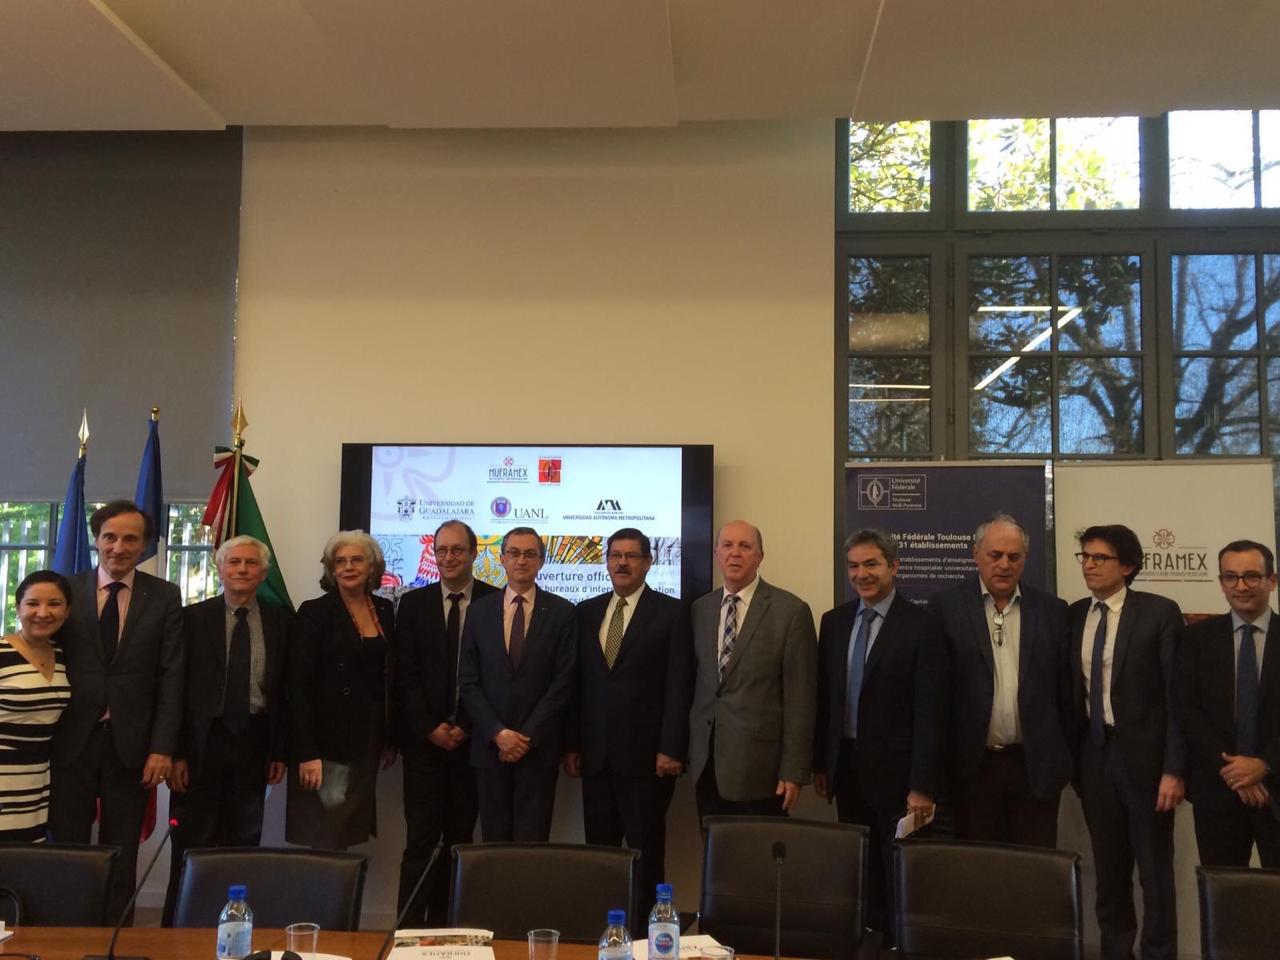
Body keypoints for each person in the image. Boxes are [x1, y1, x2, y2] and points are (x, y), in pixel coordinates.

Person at [50, 500, 184, 923]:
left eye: (130, 538)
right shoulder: (65, 591)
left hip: (132, 747)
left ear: (144, 545)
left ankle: (116, 938)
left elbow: (172, 676)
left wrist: (163, 748)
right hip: (71, 742)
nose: (119, 547)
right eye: (110, 537)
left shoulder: (164, 596)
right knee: (66, 848)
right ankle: (67, 936)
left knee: (122, 851)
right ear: (96, 540)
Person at [813, 528, 945, 946]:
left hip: (900, 779)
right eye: (853, 566)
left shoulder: (922, 626)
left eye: (871, 564)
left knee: (899, 877)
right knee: (860, 871)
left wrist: (922, 785)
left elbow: (931, 712)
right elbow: (826, 700)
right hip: (847, 770)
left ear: (894, 566)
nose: (861, 574)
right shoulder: (834, 622)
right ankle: (867, 945)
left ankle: (897, 947)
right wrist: (822, 763)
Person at [162, 535, 291, 925]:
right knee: (191, 841)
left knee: (244, 839)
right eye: (234, 562)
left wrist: (279, 750)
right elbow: (176, 689)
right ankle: (179, 925)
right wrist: (177, 752)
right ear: (219, 569)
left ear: (263, 573)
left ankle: (236, 924)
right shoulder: (192, 619)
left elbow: (286, 690)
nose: (242, 570)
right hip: (201, 743)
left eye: (251, 563)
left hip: (254, 739)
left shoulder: (281, 620)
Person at [562, 527, 693, 908]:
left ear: (648, 562)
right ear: (606, 562)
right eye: (615, 556)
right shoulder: (586, 612)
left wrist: (671, 748)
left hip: (648, 762)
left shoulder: (672, 613)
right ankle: (606, 929)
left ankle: (645, 933)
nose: (622, 563)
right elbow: (577, 684)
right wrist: (572, 744)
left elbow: (679, 685)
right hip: (596, 759)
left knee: (646, 855)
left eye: (631, 556)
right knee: (600, 857)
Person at [1072, 524, 1185, 960]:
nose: (1089, 565)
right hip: (1095, 756)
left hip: (1148, 763)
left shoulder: (1158, 613)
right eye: (1085, 556)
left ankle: (1159, 953)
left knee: (1155, 872)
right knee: (1109, 870)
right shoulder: (1074, 615)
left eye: (1099, 558)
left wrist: (1174, 769)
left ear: (1128, 566)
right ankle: (1115, 952)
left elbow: (1176, 698)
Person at [929, 513, 1072, 846]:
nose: (1004, 565)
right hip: (972, 768)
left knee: (1034, 864)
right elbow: (935, 695)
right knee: (979, 865)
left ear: (1025, 558)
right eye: (995, 555)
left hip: (1035, 768)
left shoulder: (1052, 611)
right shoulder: (946, 608)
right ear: (976, 554)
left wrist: (1063, 759)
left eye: (1014, 556)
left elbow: (1065, 692)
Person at [394, 520, 498, 925]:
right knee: (420, 841)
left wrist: (467, 726)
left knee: (459, 841)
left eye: (457, 550)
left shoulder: (493, 601)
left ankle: (447, 929)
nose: (448, 557)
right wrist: (429, 727)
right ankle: (406, 932)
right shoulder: (413, 604)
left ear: (474, 553)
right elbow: (405, 675)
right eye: (441, 550)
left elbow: (494, 675)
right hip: (424, 745)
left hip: (473, 744)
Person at [688, 520, 816, 822]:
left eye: (745, 546)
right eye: (727, 546)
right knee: (712, 847)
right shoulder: (700, 609)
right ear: (717, 554)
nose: (735, 553)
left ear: (760, 556)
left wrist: (794, 771)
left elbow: (801, 699)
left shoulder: (791, 611)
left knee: (757, 849)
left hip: (761, 769)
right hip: (707, 763)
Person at [458, 526, 576, 841]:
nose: (521, 561)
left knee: (532, 843)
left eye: (529, 554)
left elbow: (563, 682)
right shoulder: (478, 612)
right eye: (513, 553)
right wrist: (499, 733)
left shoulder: (563, 612)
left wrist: (525, 737)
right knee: (493, 841)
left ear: (541, 561)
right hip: (490, 748)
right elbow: (468, 681)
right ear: (502, 558)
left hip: (538, 749)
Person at [287, 530, 397, 849]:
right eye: (340, 561)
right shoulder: (314, 612)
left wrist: (390, 737)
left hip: (369, 735)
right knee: (327, 831)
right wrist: (307, 752)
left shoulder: (384, 609)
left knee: (349, 828)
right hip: (327, 742)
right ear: (331, 569)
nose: (348, 567)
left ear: (372, 567)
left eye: (357, 560)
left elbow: (388, 677)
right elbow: (299, 686)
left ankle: (343, 883)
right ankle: (325, 885)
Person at [1174, 539, 1280, 867]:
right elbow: (1186, 709)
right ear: (1221, 583)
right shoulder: (1196, 638)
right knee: (1220, 891)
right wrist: (1235, 772)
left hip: (1276, 786)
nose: (1241, 586)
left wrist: (1264, 764)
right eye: (1231, 577)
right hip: (1217, 792)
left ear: (1272, 581)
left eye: (1252, 576)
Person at [0, 570, 73, 841]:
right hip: (3, 775)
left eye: (54, 604)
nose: (43, 613)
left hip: (36, 779)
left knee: (26, 857)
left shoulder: (63, 656)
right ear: (18, 607)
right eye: (32, 603)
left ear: (67, 611)